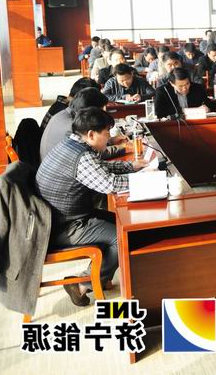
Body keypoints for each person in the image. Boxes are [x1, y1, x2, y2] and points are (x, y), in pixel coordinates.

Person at [36, 107, 146, 307]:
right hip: (63, 227)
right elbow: (109, 184)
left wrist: (131, 167)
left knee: (121, 222)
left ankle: (100, 278)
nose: (109, 137)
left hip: (58, 218)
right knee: (122, 236)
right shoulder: (82, 156)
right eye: (107, 133)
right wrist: (147, 181)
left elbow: (99, 168)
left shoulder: (71, 144)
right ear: (91, 134)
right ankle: (82, 284)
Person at [40, 88, 127, 162]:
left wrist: (110, 141)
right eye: (100, 110)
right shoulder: (73, 127)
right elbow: (94, 154)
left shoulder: (64, 113)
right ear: (90, 111)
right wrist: (125, 147)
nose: (103, 113)